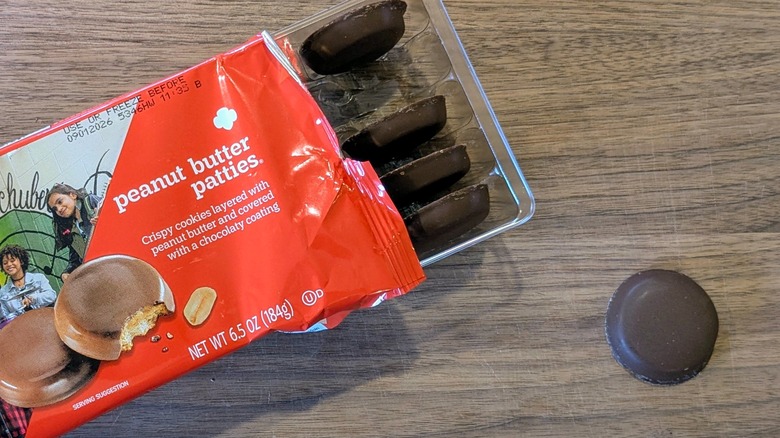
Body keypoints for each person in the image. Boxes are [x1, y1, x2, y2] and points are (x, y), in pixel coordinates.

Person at [0, 245, 56, 438]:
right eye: (5, 262)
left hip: (43, 329)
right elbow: (5, 318)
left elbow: (51, 295)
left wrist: (33, 299)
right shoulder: (3, 293)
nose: (9, 264)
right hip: (23, 339)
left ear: (21, 260)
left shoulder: (38, 279)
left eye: (12, 260)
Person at [47, 183, 102, 281]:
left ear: (73, 195)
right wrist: (66, 272)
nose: (59, 209)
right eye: (55, 209)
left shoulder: (91, 202)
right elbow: (76, 258)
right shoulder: (70, 228)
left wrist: (103, 220)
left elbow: (119, 221)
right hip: (100, 274)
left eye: (59, 202)